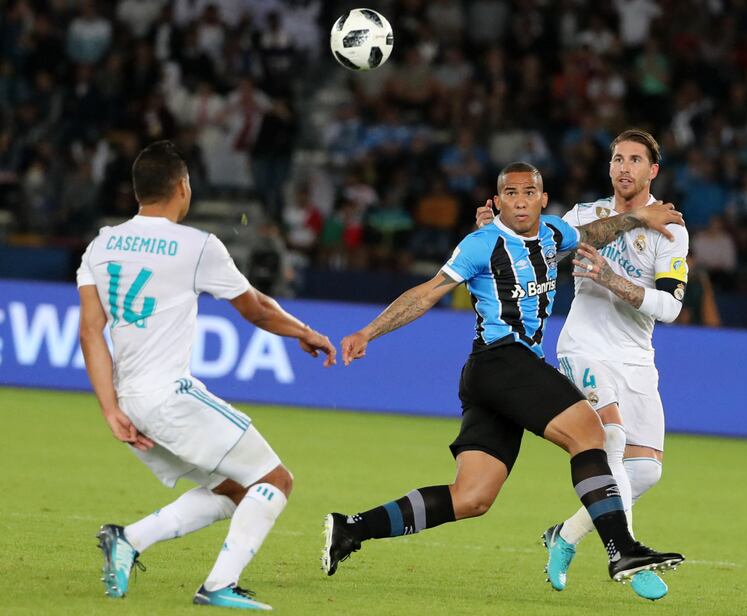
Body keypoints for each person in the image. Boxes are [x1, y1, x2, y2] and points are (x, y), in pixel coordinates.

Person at [322, 162, 685, 591]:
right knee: (591, 433)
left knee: (472, 497)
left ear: (543, 199)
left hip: (496, 379)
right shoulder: (482, 244)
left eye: (529, 192)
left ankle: (351, 528)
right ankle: (621, 548)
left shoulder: (553, 234)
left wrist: (641, 217)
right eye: (510, 193)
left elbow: (593, 234)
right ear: (497, 202)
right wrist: (368, 331)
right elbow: (427, 293)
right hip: (501, 361)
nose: (520, 201)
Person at [77, 141, 336, 611]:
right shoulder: (196, 246)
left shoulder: (102, 243)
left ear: (137, 191)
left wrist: (110, 408)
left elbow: (91, 333)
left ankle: (127, 539)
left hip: (131, 398)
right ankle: (218, 586)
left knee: (234, 488)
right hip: (170, 396)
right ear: (182, 188)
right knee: (274, 479)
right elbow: (254, 308)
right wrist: (305, 332)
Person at [475, 129, 690, 601]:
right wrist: (495, 231)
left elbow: (672, 308)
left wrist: (611, 278)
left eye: (635, 159)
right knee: (608, 437)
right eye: (617, 159)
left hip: (636, 357)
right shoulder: (583, 216)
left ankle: (565, 536)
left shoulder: (670, 228)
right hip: (583, 347)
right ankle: (628, 556)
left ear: (652, 170)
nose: (624, 167)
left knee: (646, 471)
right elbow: (530, 255)